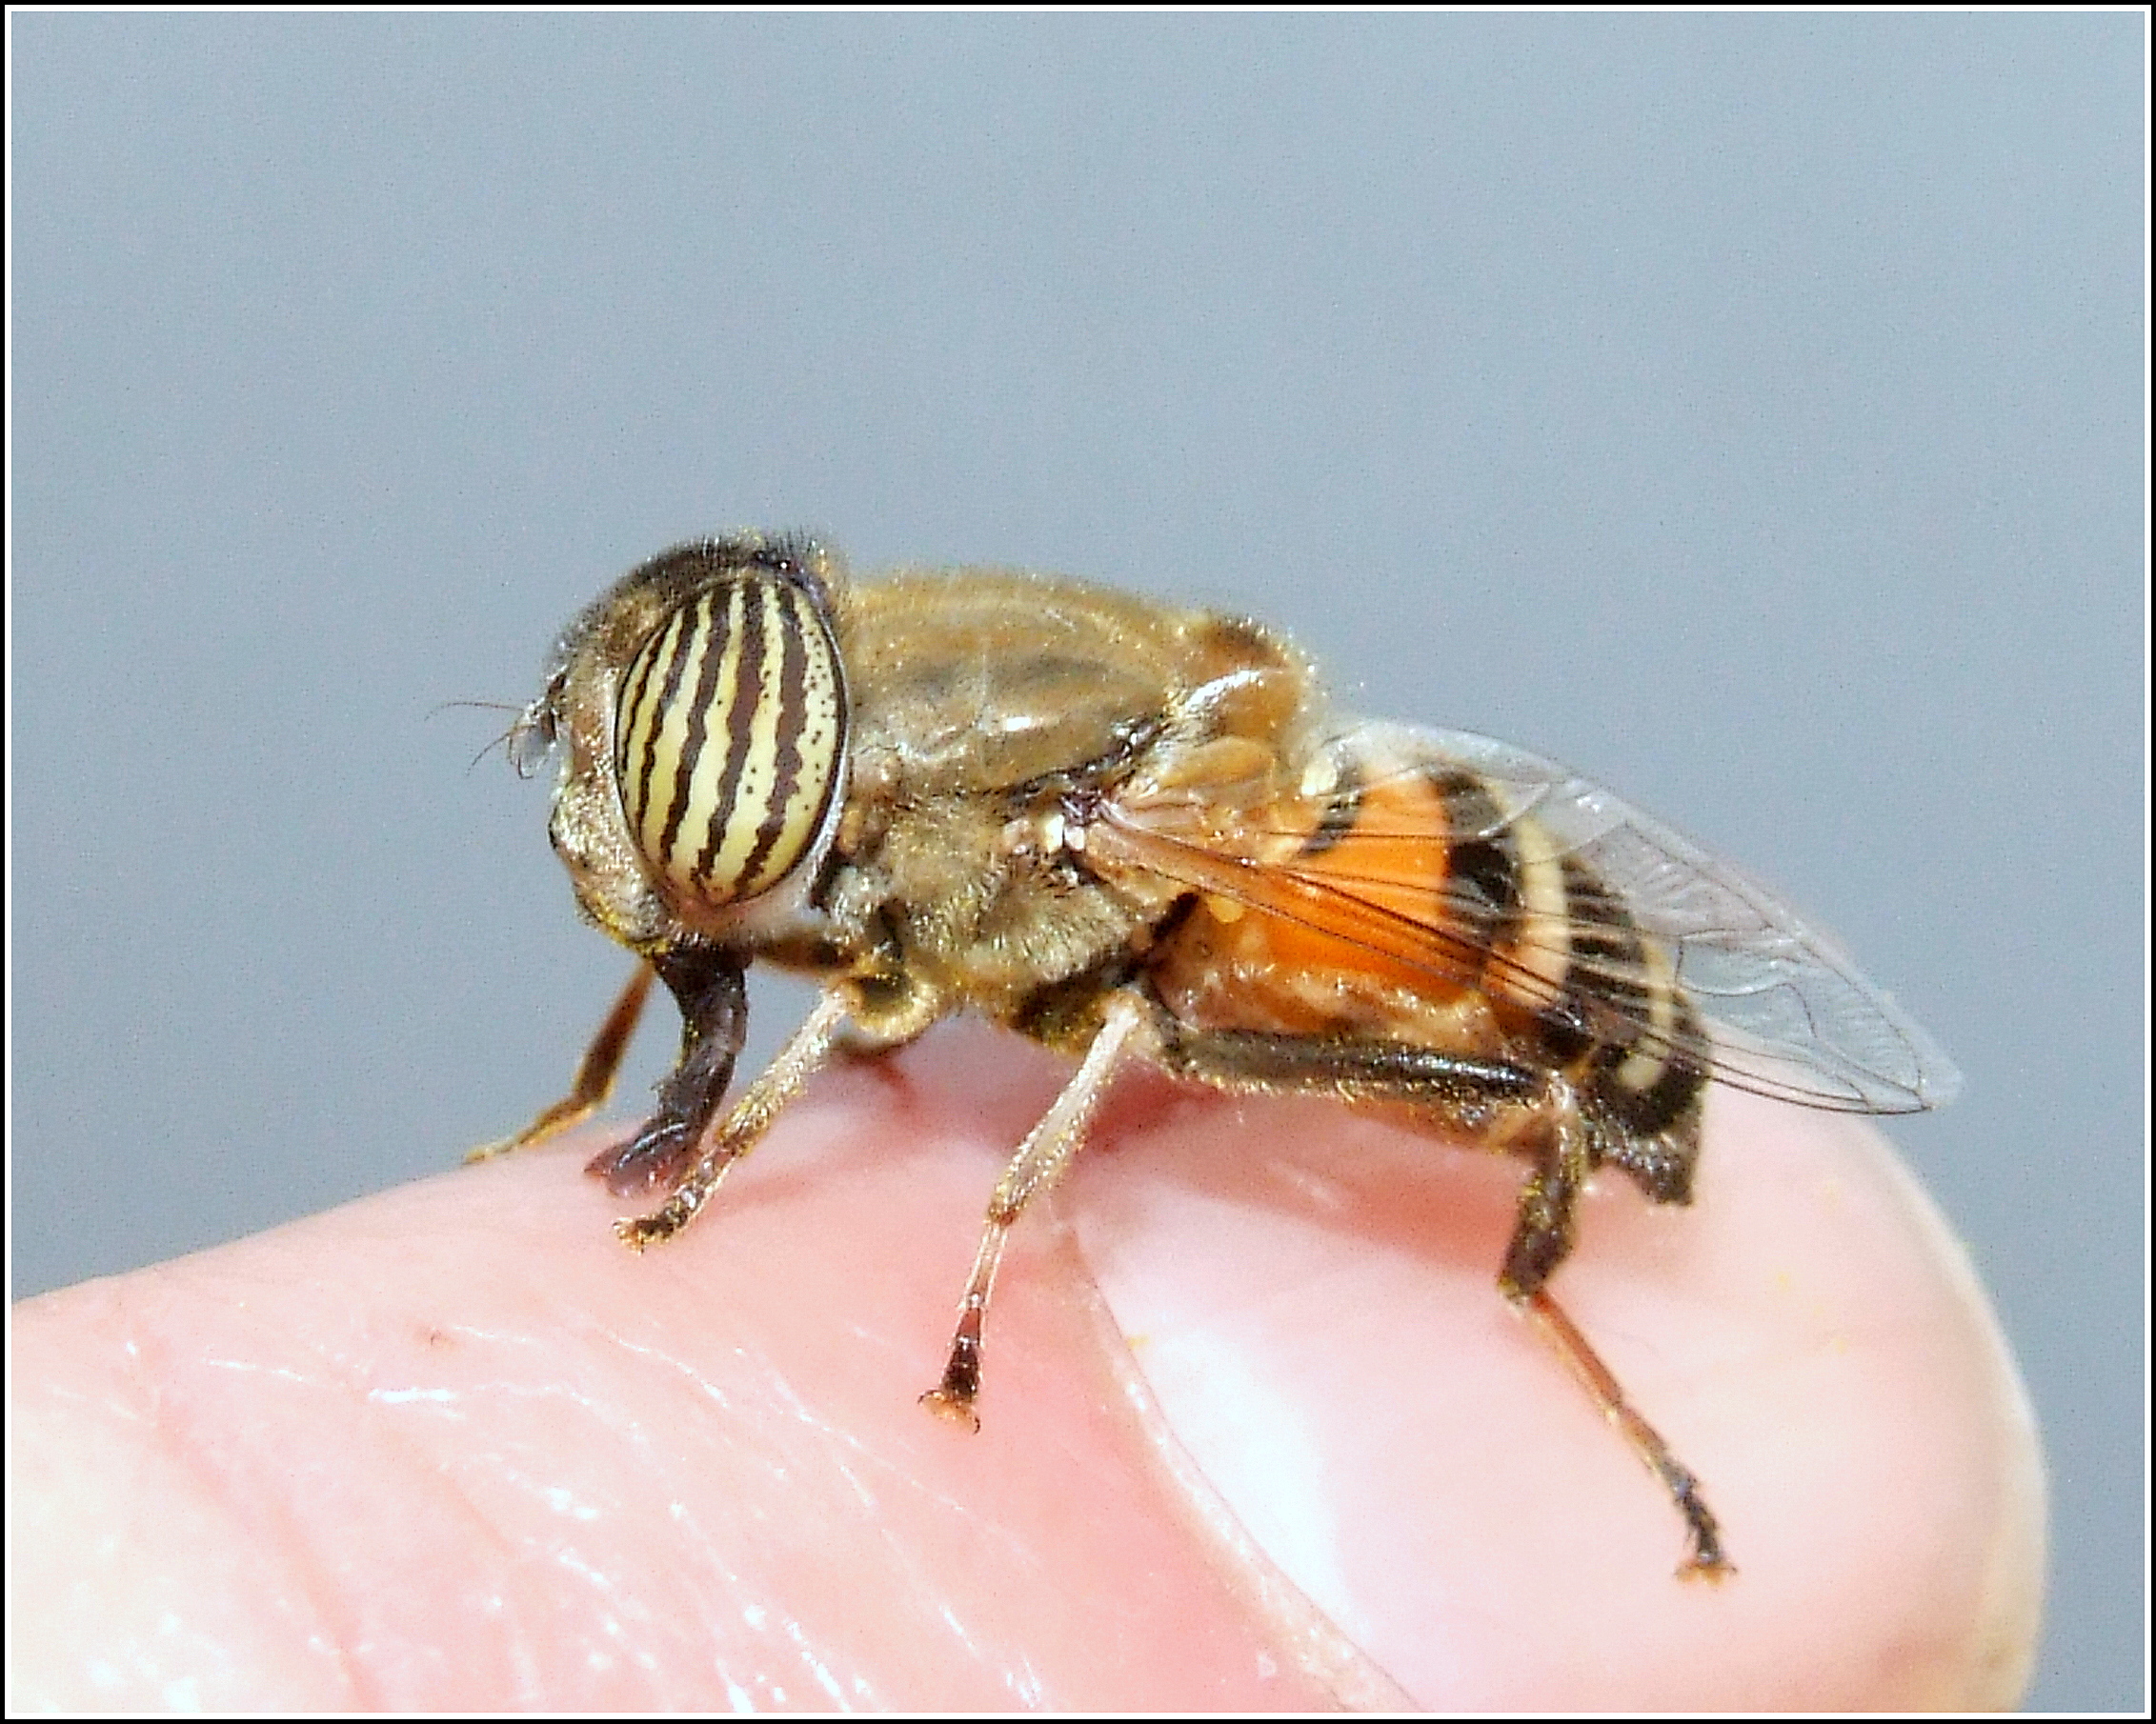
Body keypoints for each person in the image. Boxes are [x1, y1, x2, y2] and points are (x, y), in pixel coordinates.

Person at [9, 1026, 2043, 1709]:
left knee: (1282, 1051)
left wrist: (989, 1262)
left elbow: (1097, 1011)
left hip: (1419, 936)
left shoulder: (1037, 830)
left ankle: (1583, 1369)